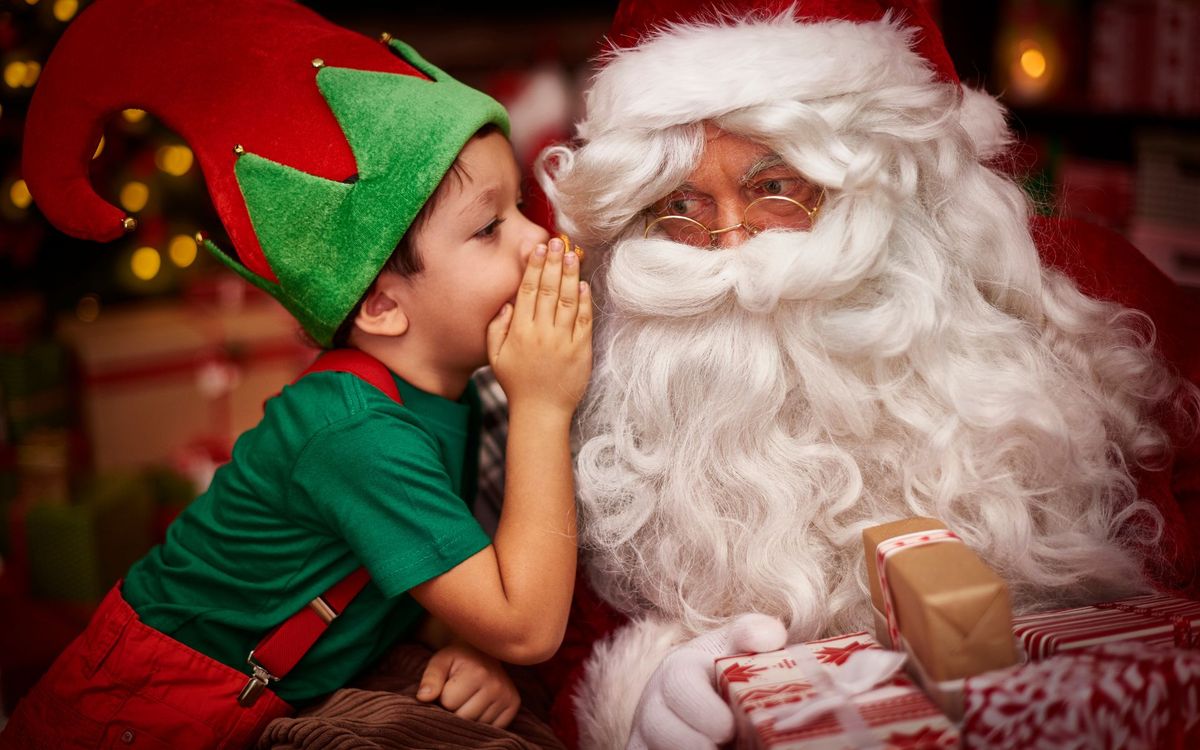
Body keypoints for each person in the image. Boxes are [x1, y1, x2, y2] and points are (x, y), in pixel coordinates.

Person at [533, 0, 1200, 747]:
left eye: (776, 187)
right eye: (680, 207)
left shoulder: (1092, 295)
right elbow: (558, 648)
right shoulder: (604, 365)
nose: (731, 251)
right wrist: (633, 688)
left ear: (888, 182)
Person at [3, 0, 592, 747]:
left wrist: (469, 644)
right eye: (490, 227)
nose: (540, 239)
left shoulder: (451, 389)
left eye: (519, 208)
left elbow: (440, 570)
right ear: (381, 305)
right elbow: (528, 625)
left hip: (293, 678)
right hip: (144, 712)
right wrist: (543, 403)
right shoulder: (354, 433)